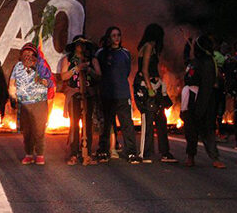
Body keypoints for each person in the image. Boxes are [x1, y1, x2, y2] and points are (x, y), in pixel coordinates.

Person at [95, 26, 141, 164]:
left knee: (127, 124)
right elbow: (99, 71)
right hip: (107, 93)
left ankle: (131, 152)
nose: (116, 38)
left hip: (122, 94)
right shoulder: (101, 53)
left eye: (118, 35)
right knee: (106, 124)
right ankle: (103, 150)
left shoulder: (125, 53)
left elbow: (126, 72)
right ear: (109, 37)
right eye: (113, 35)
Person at [133, 24, 177, 164]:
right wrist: (150, 88)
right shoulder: (148, 47)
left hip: (153, 86)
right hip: (146, 87)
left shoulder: (148, 48)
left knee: (161, 118)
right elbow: (145, 69)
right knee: (148, 118)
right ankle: (144, 153)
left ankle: (165, 152)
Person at [181, 35, 226, 168]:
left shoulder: (207, 62)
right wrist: (186, 47)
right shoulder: (195, 61)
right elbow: (186, 61)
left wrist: (200, 108)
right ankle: (190, 156)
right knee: (190, 130)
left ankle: (215, 158)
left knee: (207, 129)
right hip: (190, 99)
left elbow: (206, 86)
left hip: (203, 100)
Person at [9, 42, 53, 166]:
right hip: (24, 103)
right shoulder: (17, 66)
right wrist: (13, 96)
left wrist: (42, 80)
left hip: (39, 103)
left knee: (39, 130)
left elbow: (50, 83)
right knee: (27, 131)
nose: (27, 55)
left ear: (35, 55)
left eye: (30, 53)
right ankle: (28, 154)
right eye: (25, 53)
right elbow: (12, 82)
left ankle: (39, 154)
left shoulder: (41, 66)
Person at [60, 35, 100, 165]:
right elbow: (64, 76)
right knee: (74, 124)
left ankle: (87, 152)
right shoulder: (68, 59)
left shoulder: (92, 60)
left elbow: (99, 75)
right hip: (75, 95)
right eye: (78, 45)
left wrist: (88, 69)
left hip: (88, 95)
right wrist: (76, 69)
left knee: (88, 124)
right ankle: (74, 153)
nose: (81, 47)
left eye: (83, 45)